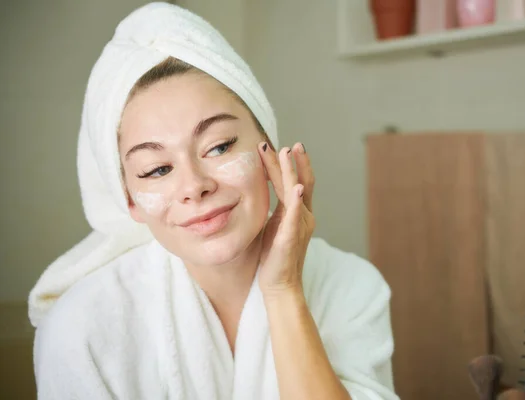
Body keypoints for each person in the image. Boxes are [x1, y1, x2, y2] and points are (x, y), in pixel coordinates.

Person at [28, 3, 398, 399]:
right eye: (157, 169)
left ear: (268, 149)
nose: (194, 185)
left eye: (219, 146)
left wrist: (284, 289)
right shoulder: (81, 330)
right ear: (129, 201)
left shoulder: (352, 287)